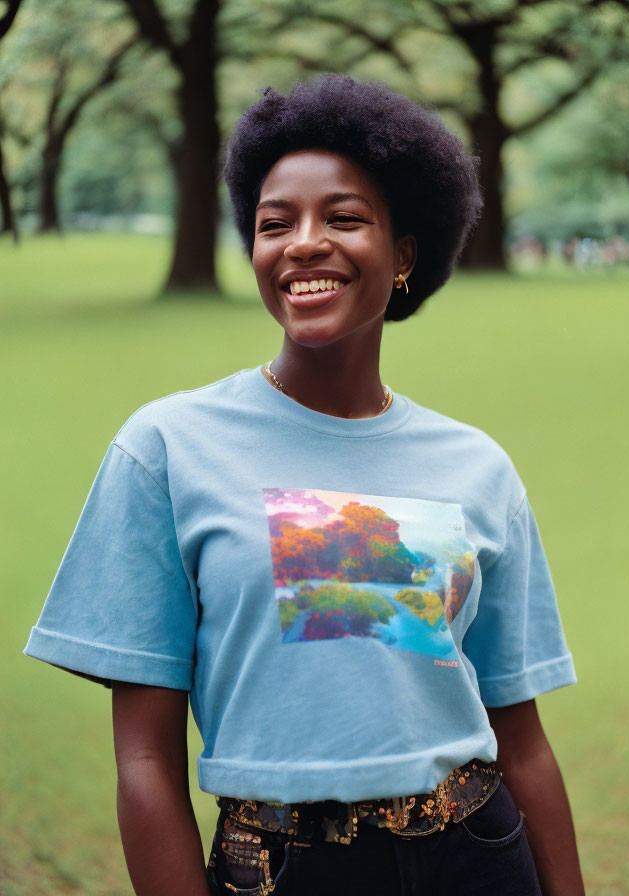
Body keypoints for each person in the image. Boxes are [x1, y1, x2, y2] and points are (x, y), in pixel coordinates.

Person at [24, 74, 584, 896]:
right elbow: (144, 760)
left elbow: (523, 740)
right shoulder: (169, 449)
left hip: (479, 854)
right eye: (273, 224)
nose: (303, 243)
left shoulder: (477, 467)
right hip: (285, 869)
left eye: (345, 219)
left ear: (403, 256)